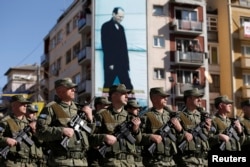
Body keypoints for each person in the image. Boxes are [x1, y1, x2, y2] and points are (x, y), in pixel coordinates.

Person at [36, 77, 94, 167]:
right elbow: (40, 132)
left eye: (74, 88)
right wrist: (61, 131)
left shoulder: (79, 109)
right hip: (61, 162)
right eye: (70, 88)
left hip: (81, 161)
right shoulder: (51, 108)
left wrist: (90, 118)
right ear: (60, 90)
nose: (74, 90)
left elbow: (91, 133)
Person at [89, 84, 141, 167]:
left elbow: (138, 141)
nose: (127, 96)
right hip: (110, 162)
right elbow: (90, 138)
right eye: (124, 93)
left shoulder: (130, 117)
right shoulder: (102, 114)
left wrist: (136, 129)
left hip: (129, 162)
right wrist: (104, 137)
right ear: (114, 95)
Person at [140, 87, 183, 167]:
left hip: (171, 161)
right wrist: (150, 136)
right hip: (154, 162)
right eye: (163, 97)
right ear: (154, 99)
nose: (166, 99)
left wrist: (179, 129)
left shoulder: (170, 116)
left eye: (166, 97)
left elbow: (181, 139)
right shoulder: (146, 116)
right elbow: (137, 138)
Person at [0, 95, 43, 167]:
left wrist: (35, 132)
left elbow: (42, 142)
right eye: (22, 104)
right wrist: (6, 140)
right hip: (13, 163)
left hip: (30, 164)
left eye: (26, 104)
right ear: (14, 105)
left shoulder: (31, 123)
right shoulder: (6, 121)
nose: (25, 106)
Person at [175, 88, 211, 167]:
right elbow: (173, 137)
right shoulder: (179, 116)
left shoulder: (203, 116)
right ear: (188, 99)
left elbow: (210, 138)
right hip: (188, 161)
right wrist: (183, 133)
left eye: (200, 97)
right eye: (197, 97)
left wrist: (209, 130)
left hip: (203, 161)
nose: (200, 100)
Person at [101, 7, 133, 92]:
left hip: (122, 64)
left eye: (122, 17)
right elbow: (106, 46)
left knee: (128, 85)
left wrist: (127, 65)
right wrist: (110, 63)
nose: (121, 19)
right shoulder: (106, 26)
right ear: (113, 14)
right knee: (108, 85)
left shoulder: (121, 28)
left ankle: (132, 103)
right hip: (112, 64)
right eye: (119, 16)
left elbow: (124, 48)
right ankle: (103, 103)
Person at [87, 96, 111, 167]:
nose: (107, 107)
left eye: (108, 105)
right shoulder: (90, 116)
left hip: (105, 152)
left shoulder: (108, 116)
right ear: (98, 105)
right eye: (105, 105)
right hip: (92, 153)